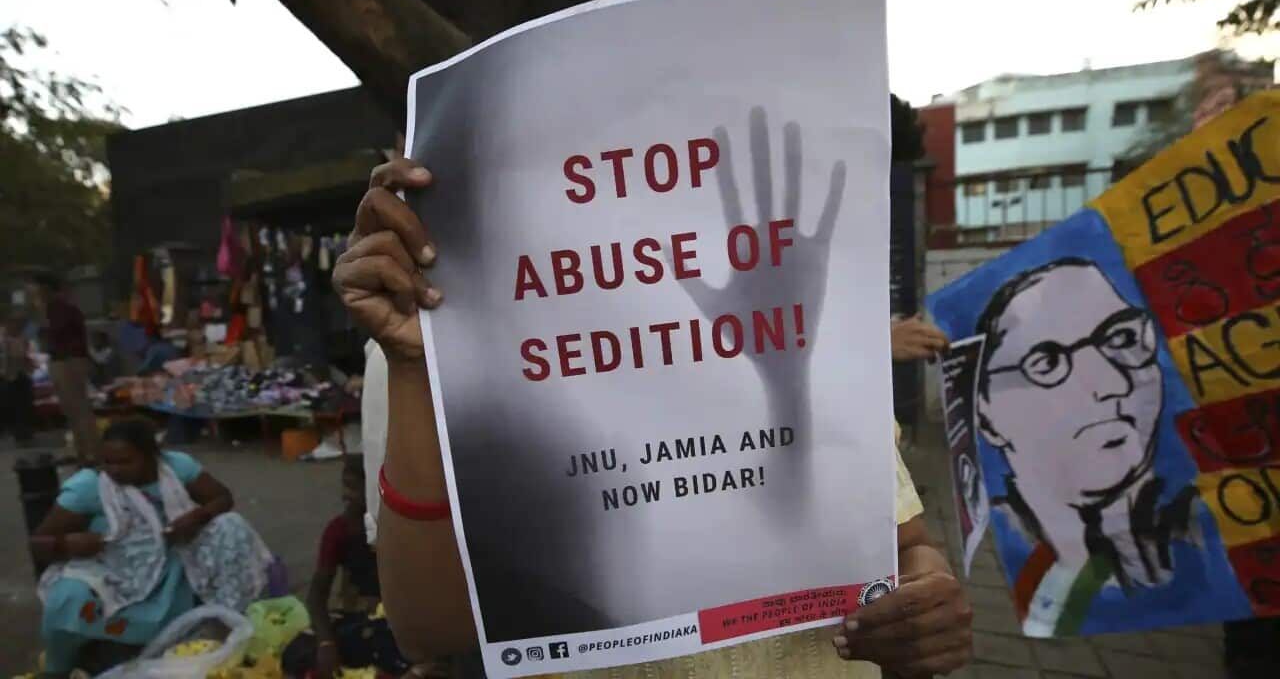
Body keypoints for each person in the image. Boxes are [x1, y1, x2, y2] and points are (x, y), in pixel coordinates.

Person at [333, 157, 973, 678]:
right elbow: (429, 631)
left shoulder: (792, 320)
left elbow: (905, 549)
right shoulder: (429, 347)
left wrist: (924, 607)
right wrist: (415, 365)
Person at [974, 257, 1194, 635]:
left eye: (1122, 339)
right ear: (985, 414)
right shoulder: (1015, 545)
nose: (1113, 383)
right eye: (1046, 363)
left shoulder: (1207, 531)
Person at [29, 418, 274, 678]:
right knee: (67, 597)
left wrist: (197, 517)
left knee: (230, 526)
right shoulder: (88, 486)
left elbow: (222, 498)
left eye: (125, 462)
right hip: (111, 567)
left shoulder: (176, 467)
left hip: (174, 562)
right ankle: (58, 668)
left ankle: (228, 624)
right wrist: (66, 543)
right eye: (108, 462)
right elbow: (38, 543)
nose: (114, 470)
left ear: (151, 456)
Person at [283, 456, 440, 678]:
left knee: (396, 648)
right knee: (296, 653)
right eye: (345, 486)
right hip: (355, 621)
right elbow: (316, 596)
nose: (346, 495)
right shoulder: (339, 530)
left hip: (396, 625)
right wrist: (326, 643)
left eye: (354, 487)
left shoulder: (400, 527)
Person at [33, 275, 100, 464]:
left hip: (69, 361)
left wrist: (43, 314)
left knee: (79, 408)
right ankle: (81, 451)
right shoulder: (51, 309)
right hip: (59, 360)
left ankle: (92, 452)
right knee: (70, 409)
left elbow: (54, 332)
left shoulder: (61, 308)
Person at [1, 315, 35, 444]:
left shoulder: (18, 340)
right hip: (14, 377)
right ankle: (21, 434)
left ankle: (23, 434)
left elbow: (19, 358)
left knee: (22, 407)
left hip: (19, 376)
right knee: (17, 407)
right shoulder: (8, 340)